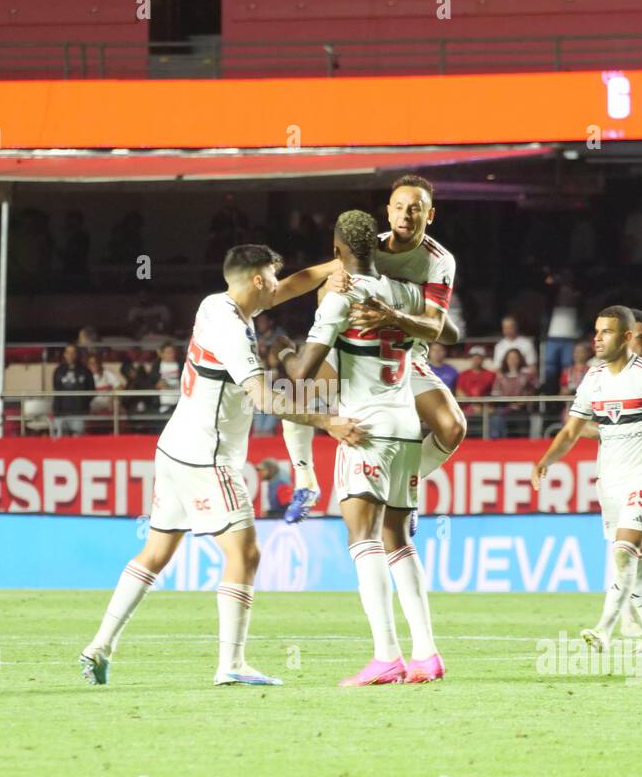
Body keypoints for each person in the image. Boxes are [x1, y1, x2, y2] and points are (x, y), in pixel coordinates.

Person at [79, 245, 364, 688]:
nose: (278, 283)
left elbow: (295, 283)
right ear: (256, 281)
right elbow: (266, 399)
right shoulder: (233, 330)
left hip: (174, 448)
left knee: (155, 554)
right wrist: (329, 421)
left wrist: (336, 265)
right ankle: (231, 663)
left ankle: (99, 646)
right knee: (246, 554)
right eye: (272, 276)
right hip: (208, 458)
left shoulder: (215, 304)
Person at [273, 211, 444, 685]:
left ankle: (387, 655)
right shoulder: (406, 293)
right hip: (407, 424)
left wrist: (285, 350)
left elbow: (302, 374)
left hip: (364, 429)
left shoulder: (339, 299)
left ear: (336, 252)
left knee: (362, 539)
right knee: (398, 538)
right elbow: (437, 327)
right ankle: (426, 654)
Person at [282, 176, 465, 527]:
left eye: (415, 208)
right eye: (398, 207)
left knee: (452, 427)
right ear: (388, 212)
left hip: (404, 355)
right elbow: (318, 282)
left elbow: (441, 329)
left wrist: (393, 316)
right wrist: (319, 289)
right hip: (351, 351)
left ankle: (404, 494)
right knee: (295, 392)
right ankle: (305, 482)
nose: (405, 215)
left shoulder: (439, 260)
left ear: (430, 215)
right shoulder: (368, 247)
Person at [532, 306, 642, 653]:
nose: (597, 338)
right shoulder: (593, 379)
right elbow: (571, 430)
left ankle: (603, 629)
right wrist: (545, 460)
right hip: (609, 483)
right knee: (633, 561)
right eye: (596, 331)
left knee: (624, 552)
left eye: (606, 332)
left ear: (626, 337)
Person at [52, 343, 93, 436]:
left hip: (79, 413)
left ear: (77, 354)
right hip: (60, 413)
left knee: (78, 444)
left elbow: (91, 391)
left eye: (73, 353)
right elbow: (56, 390)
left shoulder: (85, 371)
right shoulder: (58, 371)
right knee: (60, 444)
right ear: (64, 354)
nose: (70, 355)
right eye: (68, 352)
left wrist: (83, 403)